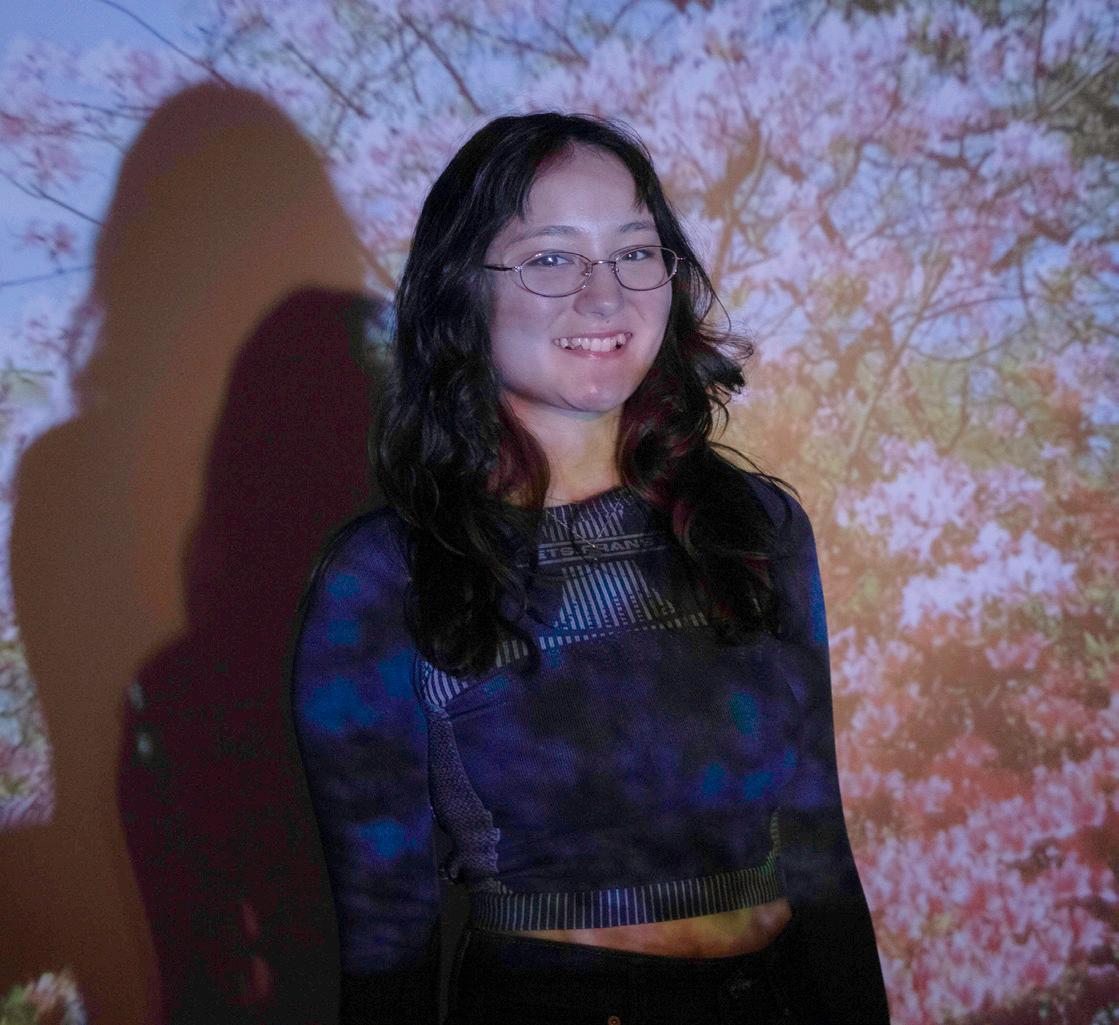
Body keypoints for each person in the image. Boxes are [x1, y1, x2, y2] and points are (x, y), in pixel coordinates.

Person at [290, 111, 890, 1025]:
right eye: (551, 258)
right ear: (462, 289)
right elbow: (386, 930)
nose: (604, 298)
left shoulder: (752, 524)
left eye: (634, 252)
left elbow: (816, 847)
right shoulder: (384, 576)